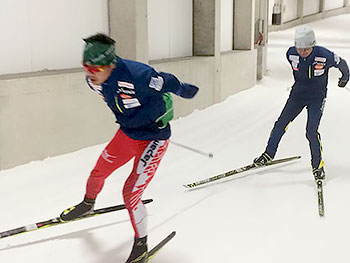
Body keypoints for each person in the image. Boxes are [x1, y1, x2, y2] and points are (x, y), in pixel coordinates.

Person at [59, 33, 198, 263]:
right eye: (85, 67)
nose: (89, 74)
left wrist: (184, 90)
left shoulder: (138, 75)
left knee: (130, 193)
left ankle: (141, 244)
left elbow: (167, 82)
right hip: (127, 134)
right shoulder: (93, 82)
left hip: (154, 139)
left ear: (111, 64)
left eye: (95, 69)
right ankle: (87, 204)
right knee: (98, 171)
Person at [253, 25, 349, 181]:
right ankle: (268, 154)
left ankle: (317, 166)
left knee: (311, 131)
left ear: (313, 45)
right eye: (300, 48)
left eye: (306, 49)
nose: (302, 52)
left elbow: (342, 64)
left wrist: (344, 78)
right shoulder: (291, 54)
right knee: (280, 124)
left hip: (317, 98)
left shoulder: (325, 55)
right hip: (297, 95)